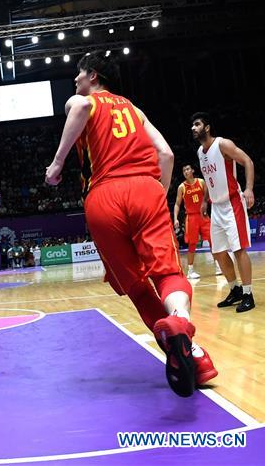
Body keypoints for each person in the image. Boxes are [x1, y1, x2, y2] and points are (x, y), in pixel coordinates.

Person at [45, 53, 217, 398]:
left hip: (103, 197)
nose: (75, 83)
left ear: (93, 76)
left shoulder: (83, 101)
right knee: (167, 273)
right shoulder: (134, 110)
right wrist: (159, 192)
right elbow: (166, 154)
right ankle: (182, 328)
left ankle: (181, 351)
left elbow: (78, 108)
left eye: (78, 76)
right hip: (145, 188)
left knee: (137, 287)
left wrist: (57, 163)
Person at [191, 113, 256, 312]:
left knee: (238, 250)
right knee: (218, 252)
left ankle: (248, 294)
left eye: (197, 124)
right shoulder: (200, 152)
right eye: (192, 125)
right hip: (216, 206)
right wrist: (204, 200)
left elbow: (248, 161)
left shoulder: (223, 145)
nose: (193, 128)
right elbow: (209, 179)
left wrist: (249, 189)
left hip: (232, 203)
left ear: (207, 127)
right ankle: (235, 289)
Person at [173, 164, 220, 279]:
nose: (186, 171)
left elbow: (208, 197)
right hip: (191, 218)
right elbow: (177, 204)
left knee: (212, 241)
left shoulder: (201, 182)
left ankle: (218, 266)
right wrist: (175, 218)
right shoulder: (181, 187)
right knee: (192, 244)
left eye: (188, 169)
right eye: (184, 170)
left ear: (192, 170)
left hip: (203, 216)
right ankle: (190, 271)